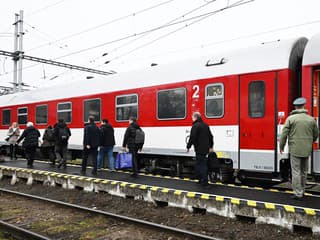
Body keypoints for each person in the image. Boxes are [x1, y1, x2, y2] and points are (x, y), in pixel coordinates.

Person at [280, 97, 319, 200]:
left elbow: (284, 134)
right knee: (304, 171)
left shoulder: (291, 119)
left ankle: (298, 193)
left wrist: (281, 146)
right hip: (306, 149)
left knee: (296, 171)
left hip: (295, 149)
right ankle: (302, 190)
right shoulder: (311, 119)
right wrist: (309, 142)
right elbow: (316, 134)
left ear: (295, 107)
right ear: (303, 106)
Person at [186, 112, 214, 187]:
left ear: (195, 117)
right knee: (199, 164)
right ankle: (200, 180)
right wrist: (211, 146)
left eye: (192, 117)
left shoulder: (195, 126)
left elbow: (192, 137)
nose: (192, 119)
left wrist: (188, 146)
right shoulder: (205, 125)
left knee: (201, 165)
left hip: (199, 148)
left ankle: (205, 182)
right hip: (205, 149)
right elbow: (211, 137)